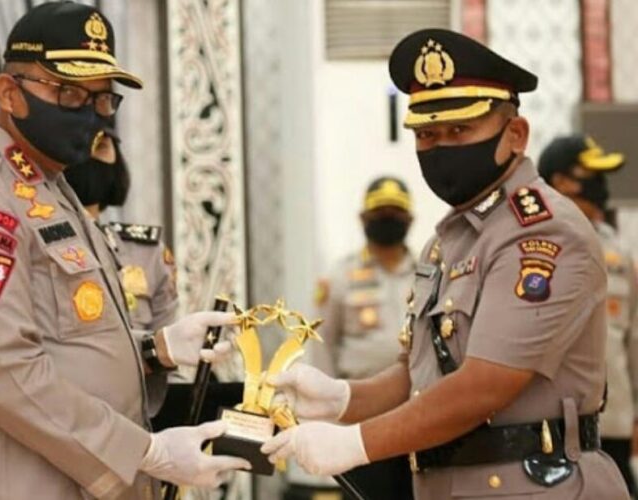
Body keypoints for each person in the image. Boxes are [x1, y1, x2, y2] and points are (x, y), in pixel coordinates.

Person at [261, 28, 630, 500]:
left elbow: (486, 385)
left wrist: (356, 443)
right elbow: (419, 375)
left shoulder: (540, 232)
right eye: (427, 134)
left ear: (515, 134)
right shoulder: (447, 242)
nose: (441, 148)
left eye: (460, 130)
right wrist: (343, 399)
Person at [0, 3, 248, 499]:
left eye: (101, 98)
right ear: (9, 93)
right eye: (68, 93)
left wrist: (154, 349)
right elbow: (10, 375)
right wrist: (146, 452)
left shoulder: (49, 186)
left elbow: (65, 338)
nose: (90, 114)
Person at [298, 177, 415, 500]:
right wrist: (326, 417)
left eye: (395, 213)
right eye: (380, 213)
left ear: (409, 220)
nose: (388, 219)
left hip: (415, 412)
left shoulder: (428, 272)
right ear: (363, 219)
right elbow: (322, 346)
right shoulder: (340, 276)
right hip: (360, 418)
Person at [539, 134, 638, 495]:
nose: (601, 187)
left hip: (612, 423)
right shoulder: (526, 245)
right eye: (592, 175)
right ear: (562, 181)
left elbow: (634, 340)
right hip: (544, 427)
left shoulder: (618, 252)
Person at [64, 127, 178, 332]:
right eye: (79, 147)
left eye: (100, 147)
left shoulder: (147, 254)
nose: (89, 157)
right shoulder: (31, 242)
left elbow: (166, 341)